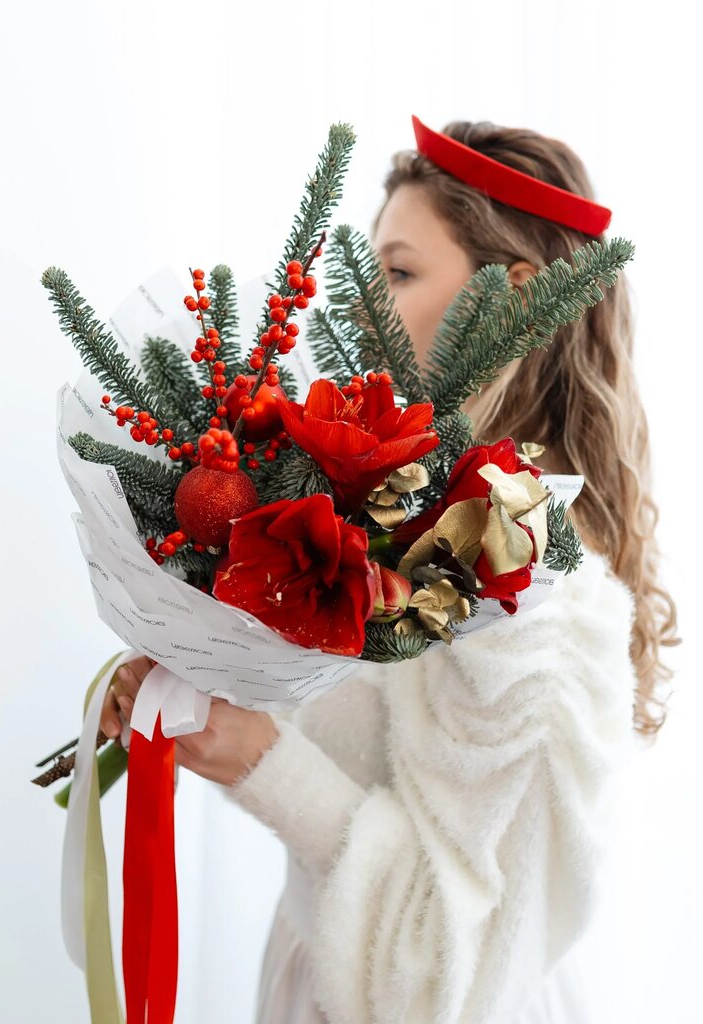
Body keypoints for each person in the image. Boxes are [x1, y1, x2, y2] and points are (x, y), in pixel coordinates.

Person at [100, 116, 680, 1022]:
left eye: (398, 274)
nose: (357, 312)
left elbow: (453, 979)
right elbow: (361, 741)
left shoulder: (540, 620)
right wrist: (197, 688)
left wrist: (261, 762)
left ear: (508, 301)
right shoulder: (407, 524)